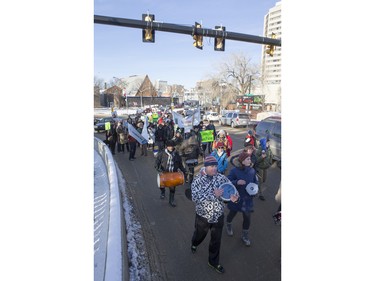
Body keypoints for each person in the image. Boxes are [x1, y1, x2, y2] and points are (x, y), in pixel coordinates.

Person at [190, 155, 239, 274]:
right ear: (205, 167)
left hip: (218, 216)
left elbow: (231, 190)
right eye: (211, 166)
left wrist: (234, 198)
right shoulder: (198, 179)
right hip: (203, 216)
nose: (214, 169)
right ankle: (195, 243)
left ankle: (213, 261)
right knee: (199, 235)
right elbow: (195, 197)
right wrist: (213, 195)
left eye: (216, 166)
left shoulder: (221, 178)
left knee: (216, 240)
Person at [226, 151, 258, 246]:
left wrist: (255, 190)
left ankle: (245, 235)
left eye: (250, 158)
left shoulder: (252, 171)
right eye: (248, 159)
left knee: (247, 218)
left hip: (247, 199)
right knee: (232, 213)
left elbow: (255, 182)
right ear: (242, 161)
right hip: (236, 198)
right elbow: (228, 182)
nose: (250, 160)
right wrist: (237, 182)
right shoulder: (234, 171)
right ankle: (228, 224)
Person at [155, 140, 187, 207]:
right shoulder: (162, 153)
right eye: (169, 146)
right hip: (164, 172)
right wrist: (158, 168)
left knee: (172, 188)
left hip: (173, 173)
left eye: (172, 146)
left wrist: (184, 171)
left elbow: (180, 164)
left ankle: (171, 200)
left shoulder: (176, 154)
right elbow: (157, 162)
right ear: (167, 147)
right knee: (162, 185)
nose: (171, 148)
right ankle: (162, 192)